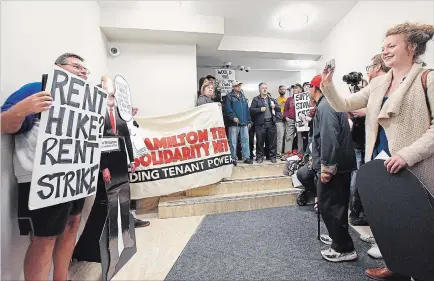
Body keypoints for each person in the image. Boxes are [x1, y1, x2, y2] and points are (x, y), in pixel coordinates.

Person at [321, 22, 434, 279]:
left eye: (391, 45)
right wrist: (328, 85)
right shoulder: (380, 82)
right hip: (380, 163)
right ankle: (396, 265)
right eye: (383, 47)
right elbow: (344, 104)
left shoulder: (428, 78)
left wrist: (407, 155)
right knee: (391, 220)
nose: (385, 51)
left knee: (420, 223)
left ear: (412, 47)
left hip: (415, 165)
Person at [1, 53, 89, 281]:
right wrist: (22, 109)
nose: (83, 71)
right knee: (44, 238)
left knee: (72, 225)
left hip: (74, 175)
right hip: (42, 177)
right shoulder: (37, 88)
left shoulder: (84, 102)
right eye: (76, 66)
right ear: (57, 68)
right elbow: (4, 124)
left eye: (85, 69)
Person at [310, 74, 357, 262]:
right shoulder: (328, 104)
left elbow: (329, 137)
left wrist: (327, 168)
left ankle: (343, 248)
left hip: (335, 166)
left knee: (330, 205)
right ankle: (338, 238)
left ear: (315, 89)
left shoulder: (325, 105)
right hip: (341, 164)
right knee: (336, 204)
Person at [224, 80, 253, 165]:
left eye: (240, 85)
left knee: (245, 141)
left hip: (244, 123)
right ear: (233, 87)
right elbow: (228, 109)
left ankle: (246, 158)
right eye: (237, 86)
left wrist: (249, 121)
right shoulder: (229, 96)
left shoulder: (243, 96)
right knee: (233, 142)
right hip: (233, 124)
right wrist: (233, 117)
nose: (239, 87)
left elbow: (247, 110)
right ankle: (233, 159)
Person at [250, 83, 280, 163]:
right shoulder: (256, 99)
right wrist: (259, 109)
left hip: (271, 123)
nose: (265, 89)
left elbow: (279, 108)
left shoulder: (272, 99)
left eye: (266, 88)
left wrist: (274, 107)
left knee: (272, 142)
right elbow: (251, 110)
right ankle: (259, 157)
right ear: (259, 89)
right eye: (263, 88)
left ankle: (272, 157)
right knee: (260, 142)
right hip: (260, 124)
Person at [276, 85, 287, 158]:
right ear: (279, 91)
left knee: (287, 138)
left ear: (285, 90)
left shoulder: (288, 99)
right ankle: (278, 153)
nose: (282, 90)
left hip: (287, 120)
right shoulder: (276, 100)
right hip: (279, 121)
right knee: (280, 137)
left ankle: (286, 153)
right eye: (281, 89)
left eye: (283, 89)